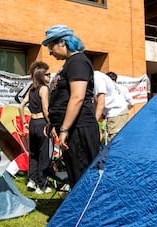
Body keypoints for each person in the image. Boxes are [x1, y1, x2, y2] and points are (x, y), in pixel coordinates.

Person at [42, 25, 100, 187]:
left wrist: (65, 129)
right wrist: (53, 122)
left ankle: (86, 211)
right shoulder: (70, 63)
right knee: (75, 173)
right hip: (71, 128)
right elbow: (63, 98)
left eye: (50, 46)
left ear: (62, 42)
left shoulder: (78, 62)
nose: (50, 52)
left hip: (79, 128)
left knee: (82, 174)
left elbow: (77, 98)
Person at [18, 61, 53, 194]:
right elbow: (45, 108)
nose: (49, 76)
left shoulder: (32, 89)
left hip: (32, 123)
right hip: (42, 123)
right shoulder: (44, 89)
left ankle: (32, 180)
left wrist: (24, 123)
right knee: (44, 154)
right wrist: (51, 124)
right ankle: (41, 184)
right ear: (41, 75)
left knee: (33, 154)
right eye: (47, 74)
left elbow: (20, 106)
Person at [97, 71, 134, 142]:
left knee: (113, 138)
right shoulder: (123, 88)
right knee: (121, 136)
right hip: (123, 114)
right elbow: (132, 103)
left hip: (114, 114)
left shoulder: (107, 87)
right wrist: (124, 110)